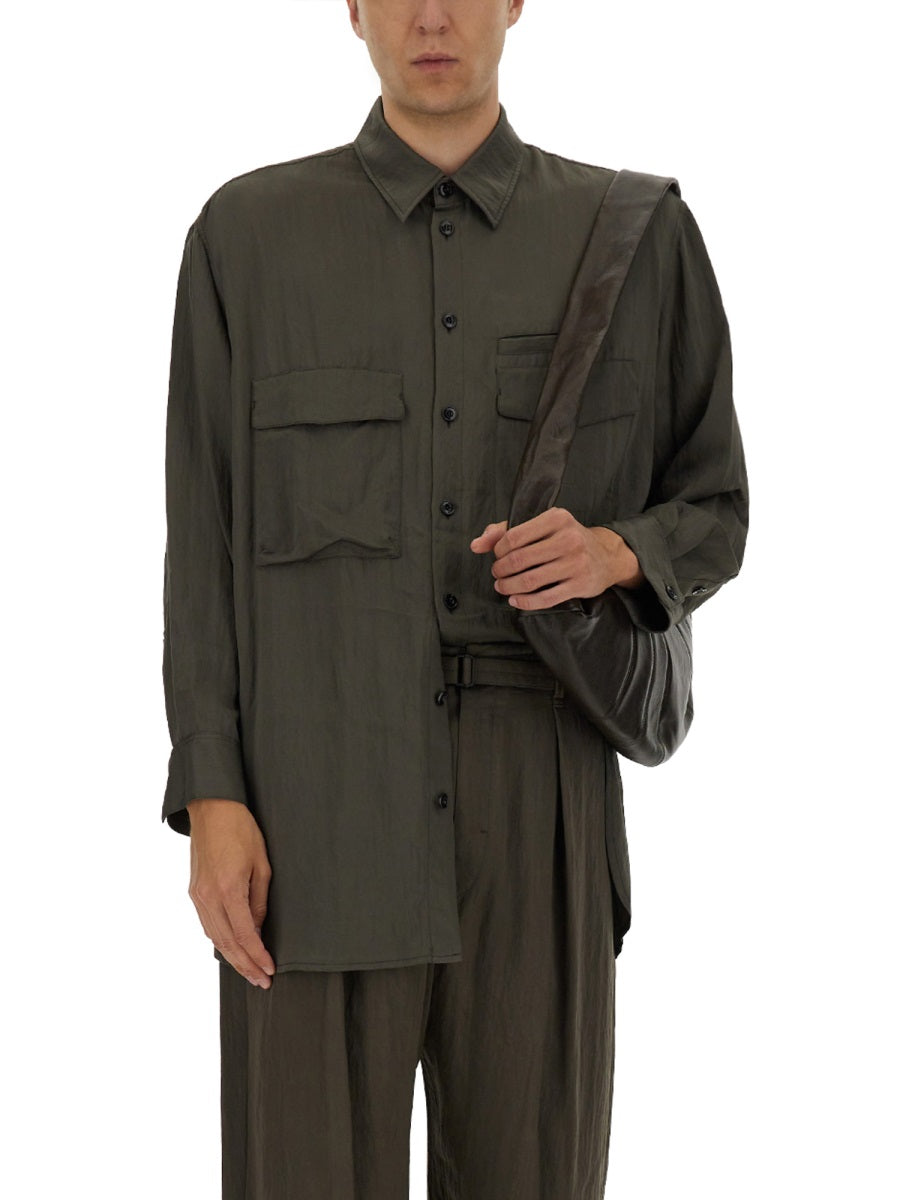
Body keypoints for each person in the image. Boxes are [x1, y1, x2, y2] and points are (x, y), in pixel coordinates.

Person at [160, 1, 749, 1196]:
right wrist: (212, 792)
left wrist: (616, 552)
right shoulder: (246, 240)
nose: (433, 15)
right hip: (311, 815)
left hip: (540, 808)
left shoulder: (632, 236)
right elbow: (203, 548)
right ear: (353, 7)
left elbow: (716, 504)